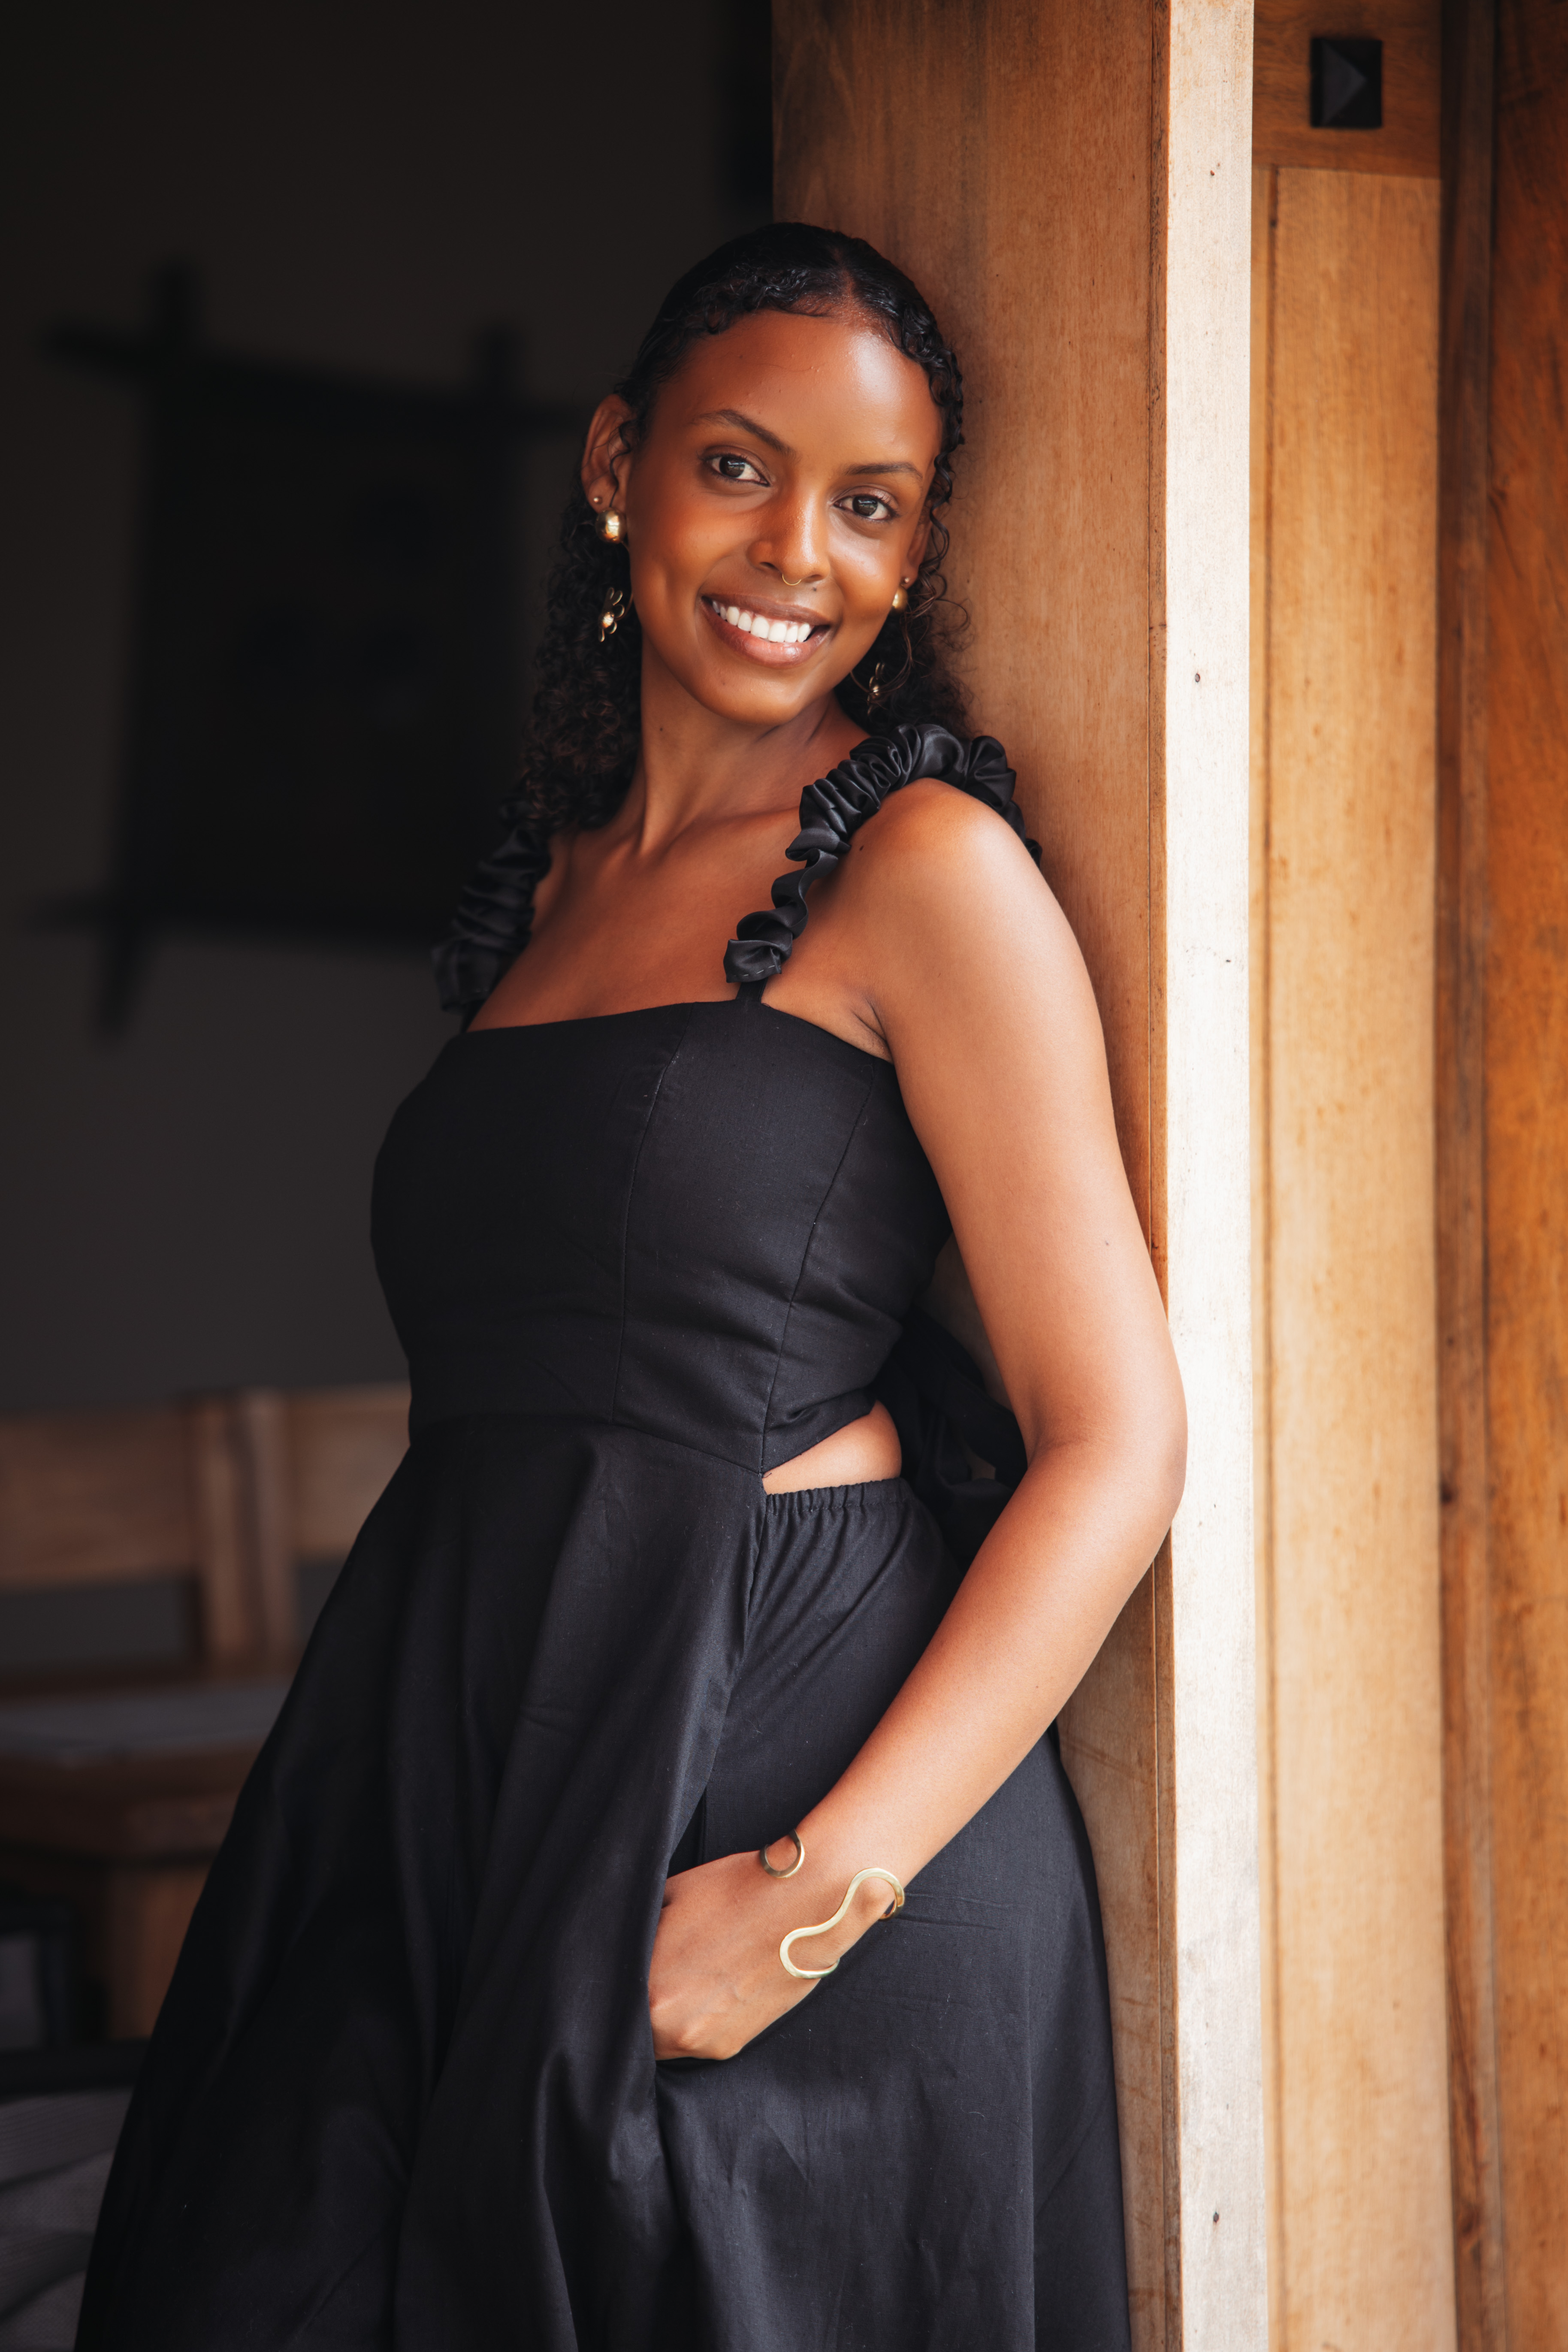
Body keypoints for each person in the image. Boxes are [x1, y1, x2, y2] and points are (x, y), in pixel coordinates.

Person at [79, 223, 1184, 2352]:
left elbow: (1111, 1439)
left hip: (776, 1810)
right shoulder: (546, 882)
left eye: (867, 506)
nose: (798, 552)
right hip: (462, 1758)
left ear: (915, 547)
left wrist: (805, 1902)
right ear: (617, 463)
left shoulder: (923, 869)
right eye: (740, 469)